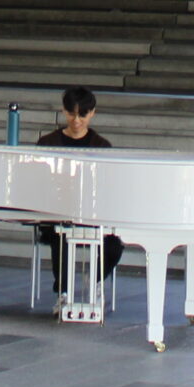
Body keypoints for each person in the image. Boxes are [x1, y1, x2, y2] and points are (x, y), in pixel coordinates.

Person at [35, 87, 125, 303]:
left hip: (93, 215)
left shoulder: (103, 147)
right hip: (56, 213)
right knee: (61, 234)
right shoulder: (47, 144)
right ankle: (63, 293)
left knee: (114, 245)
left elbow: (108, 186)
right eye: (71, 114)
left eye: (82, 114)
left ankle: (95, 279)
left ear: (92, 112)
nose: (76, 120)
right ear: (64, 111)